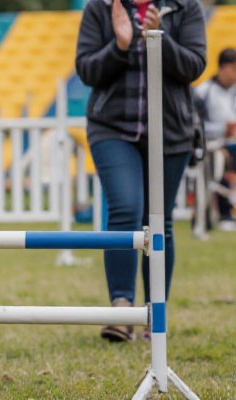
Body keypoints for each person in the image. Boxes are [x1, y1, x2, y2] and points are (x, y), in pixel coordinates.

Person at [76, 0, 206, 341]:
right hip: (112, 129)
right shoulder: (99, 9)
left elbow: (194, 66)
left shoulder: (184, 8)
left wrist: (158, 39)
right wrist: (119, 45)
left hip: (171, 133)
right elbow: (87, 70)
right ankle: (121, 308)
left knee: (160, 221)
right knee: (125, 209)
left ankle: (154, 311)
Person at [194, 48, 236, 230]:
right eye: (234, 69)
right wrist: (221, 130)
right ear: (224, 67)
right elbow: (195, 127)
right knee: (221, 157)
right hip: (211, 146)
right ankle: (223, 214)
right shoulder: (203, 91)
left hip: (231, 144)